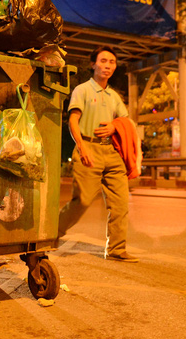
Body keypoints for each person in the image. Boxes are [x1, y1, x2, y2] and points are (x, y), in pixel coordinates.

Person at [58, 46, 139, 263]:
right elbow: (73, 120)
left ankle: (116, 249)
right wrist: (82, 147)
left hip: (112, 152)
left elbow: (127, 122)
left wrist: (114, 126)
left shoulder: (114, 96)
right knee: (82, 201)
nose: (107, 65)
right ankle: (52, 234)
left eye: (112, 62)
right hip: (88, 148)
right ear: (93, 64)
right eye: (103, 61)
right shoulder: (82, 90)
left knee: (120, 204)